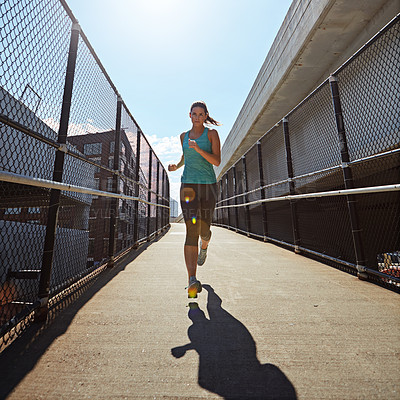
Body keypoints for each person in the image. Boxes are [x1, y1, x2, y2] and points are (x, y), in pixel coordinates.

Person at [168, 101, 221, 298]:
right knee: (191, 230)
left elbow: (216, 160)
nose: (197, 117)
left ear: (206, 116)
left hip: (208, 186)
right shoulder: (183, 136)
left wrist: (199, 149)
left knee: (204, 230)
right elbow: (185, 155)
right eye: (194, 114)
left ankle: (205, 244)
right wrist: (177, 165)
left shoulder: (212, 135)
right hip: (188, 186)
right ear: (189, 115)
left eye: (201, 114)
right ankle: (192, 279)